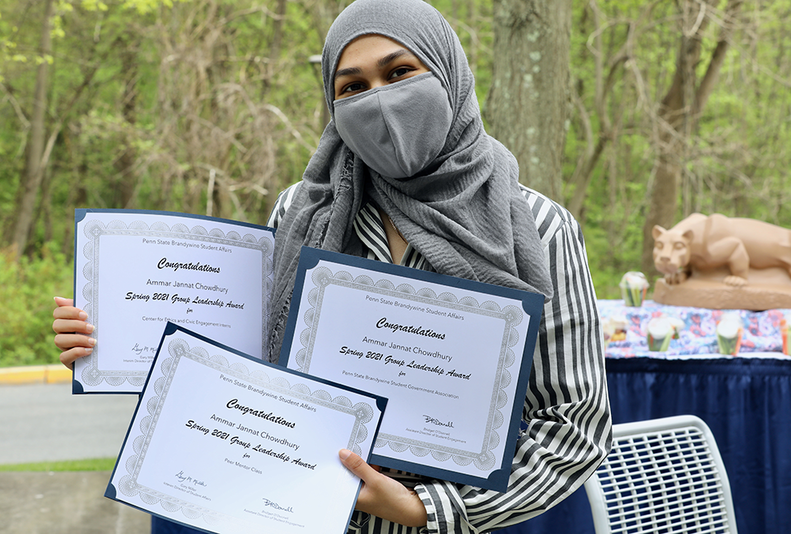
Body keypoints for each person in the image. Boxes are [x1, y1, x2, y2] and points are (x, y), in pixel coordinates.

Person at [54, 0, 611, 532]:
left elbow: (574, 427)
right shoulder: (303, 209)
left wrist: (425, 508)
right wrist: (114, 339)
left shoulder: (539, 228)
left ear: (449, 73)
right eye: (353, 87)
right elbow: (242, 356)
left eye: (399, 73)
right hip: (284, 513)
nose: (380, 101)